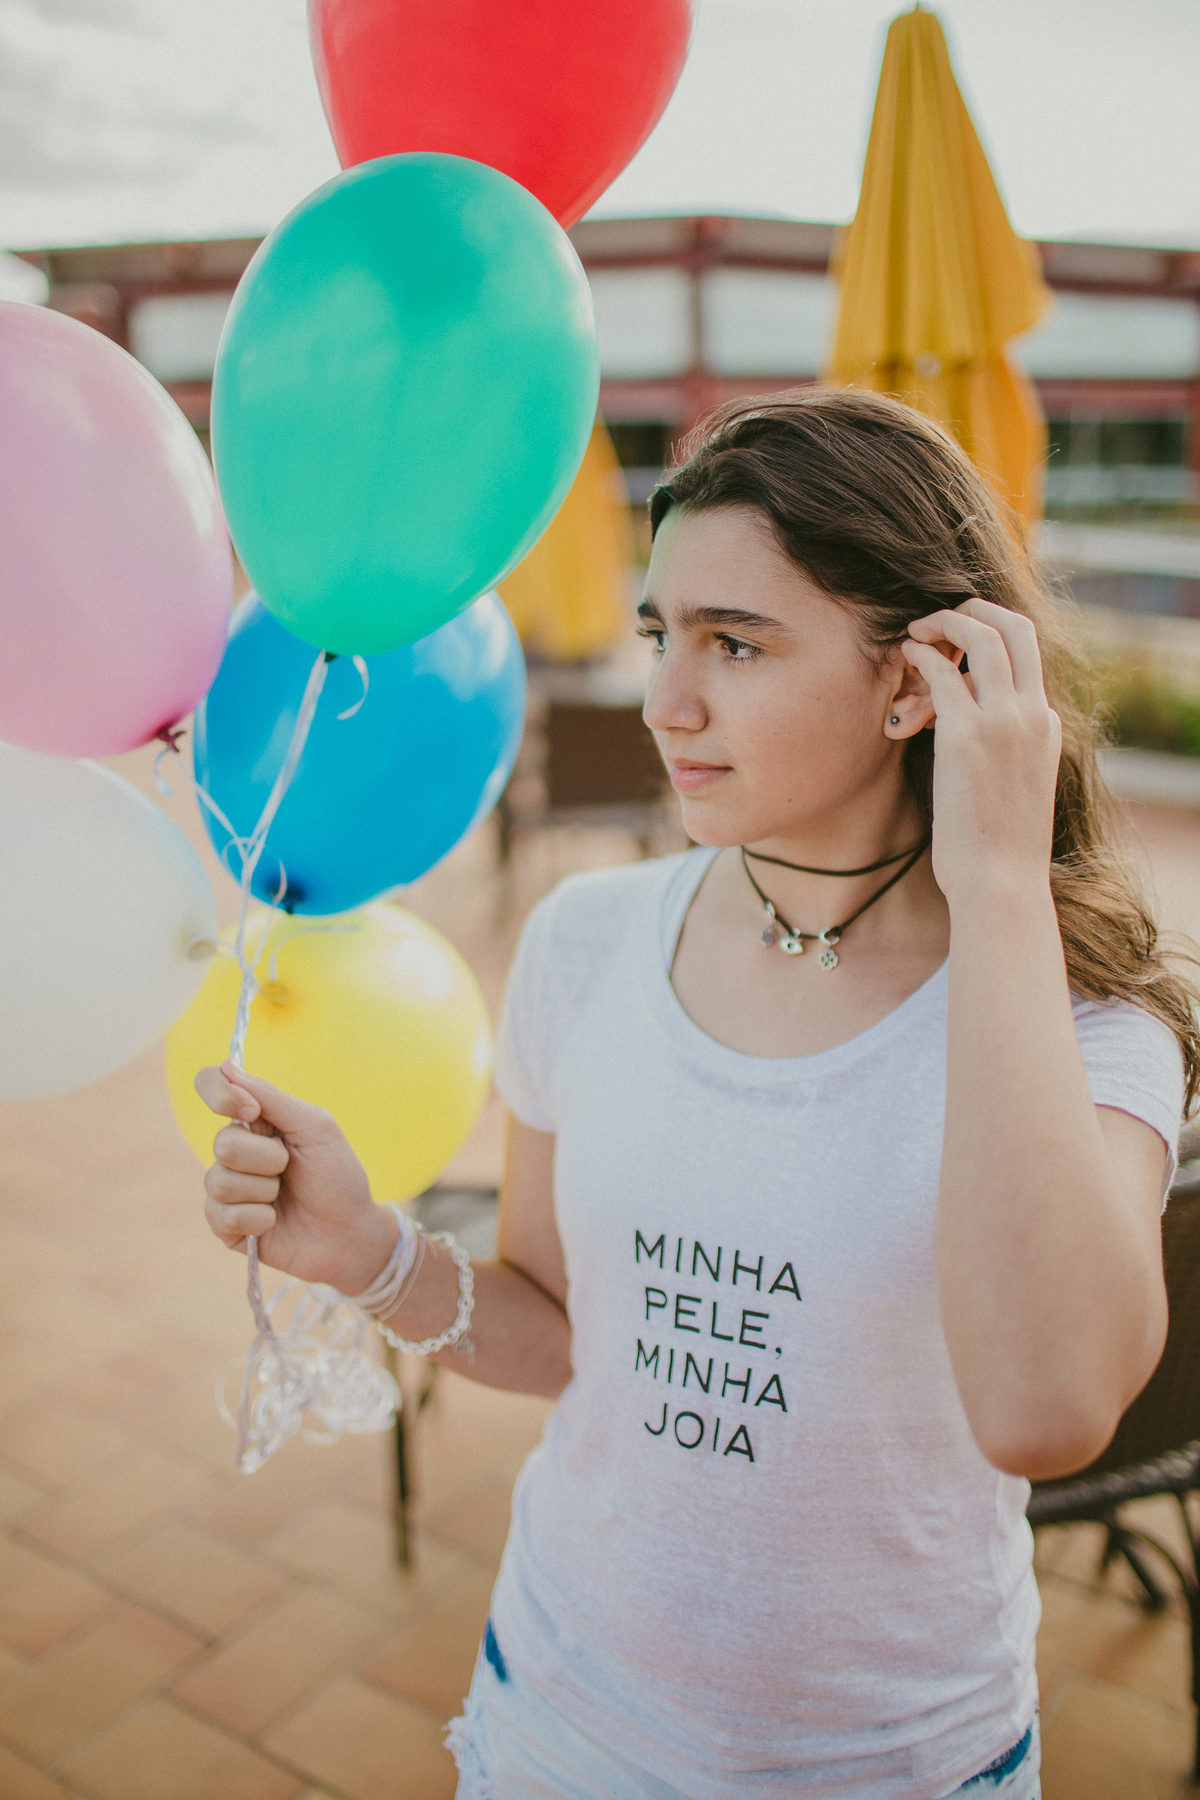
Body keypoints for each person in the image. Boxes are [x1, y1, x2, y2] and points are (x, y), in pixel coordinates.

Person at [197, 390, 1198, 1800]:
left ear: (915, 684)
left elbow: (1046, 1409)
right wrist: (368, 1253)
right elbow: (563, 1339)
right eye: (664, 631)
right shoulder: (586, 942)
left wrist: (999, 891)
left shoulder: (1081, 1021)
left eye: (736, 644)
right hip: (549, 1722)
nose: (666, 698)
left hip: (896, 1771)